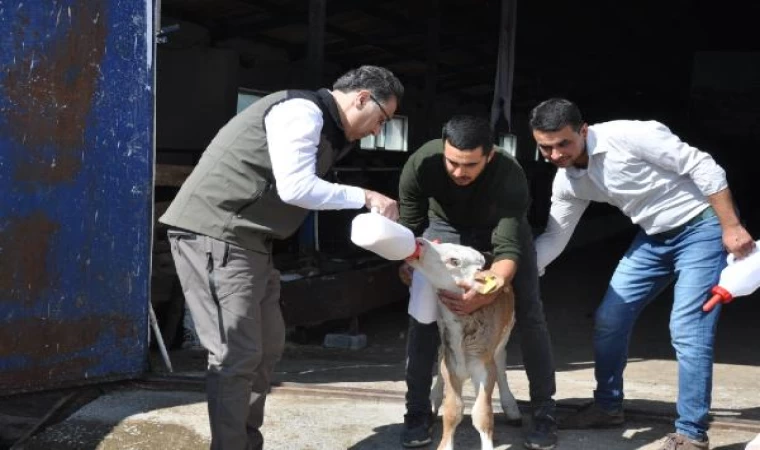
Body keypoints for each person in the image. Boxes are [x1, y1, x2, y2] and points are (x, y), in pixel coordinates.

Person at [159, 65, 404, 450]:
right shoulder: (301, 112)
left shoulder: (328, 128)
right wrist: (365, 196)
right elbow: (295, 187)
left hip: (252, 243)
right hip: (218, 234)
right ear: (361, 99)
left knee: (267, 347)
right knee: (235, 355)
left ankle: (245, 442)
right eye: (382, 119)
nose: (378, 130)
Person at [530, 98, 756, 450]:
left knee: (688, 328)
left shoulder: (630, 135)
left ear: (583, 130)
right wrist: (514, 272)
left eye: (564, 143)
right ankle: (607, 406)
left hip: (702, 227)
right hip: (653, 237)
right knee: (610, 318)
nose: (556, 154)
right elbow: (555, 237)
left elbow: (703, 165)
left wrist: (731, 225)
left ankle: (692, 433)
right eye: (545, 147)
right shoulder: (568, 183)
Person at [397, 115, 559, 450]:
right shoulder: (420, 164)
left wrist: (490, 289)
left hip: (503, 228)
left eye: (470, 165)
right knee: (422, 313)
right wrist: (408, 262)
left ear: (490, 156)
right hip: (445, 228)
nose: (459, 172)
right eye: (452, 162)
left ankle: (544, 412)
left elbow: (508, 249)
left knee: (529, 313)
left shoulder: (510, 175)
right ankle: (416, 413)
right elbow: (409, 228)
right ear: (443, 149)